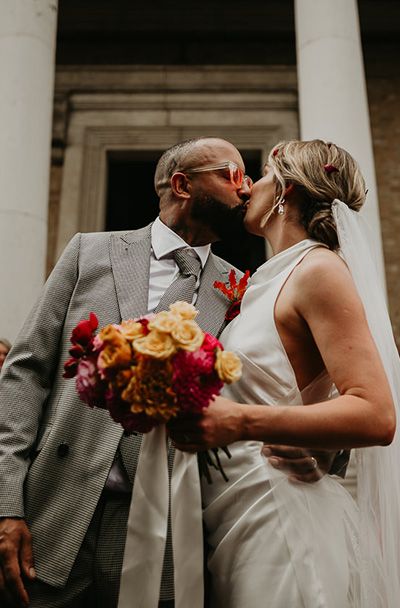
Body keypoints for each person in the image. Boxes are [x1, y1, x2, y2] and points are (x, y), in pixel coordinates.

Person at [0, 137, 327, 608]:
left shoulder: (243, 289)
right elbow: (25, 373)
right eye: (231, 173)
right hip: (54, 509)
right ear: (182, 185)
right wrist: (7, 502)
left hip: (172, 528)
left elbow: (284, 384)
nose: (246, 187)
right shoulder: (89, 253)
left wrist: (316, 449)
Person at [168, 140, 400, 607]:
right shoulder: (270, 278)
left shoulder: (318, 270)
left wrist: (241, 420)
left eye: (261, 175)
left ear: (288, 192)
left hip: (278, 517)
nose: (248, 188)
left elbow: (376, 413)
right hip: (237, 506)